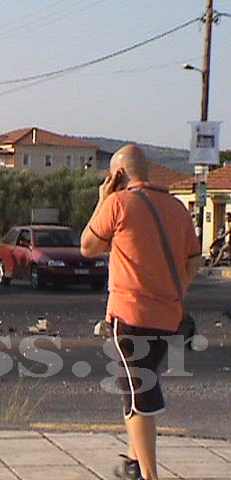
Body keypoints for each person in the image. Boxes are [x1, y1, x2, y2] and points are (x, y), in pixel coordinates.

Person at [81, 145, 202, 480]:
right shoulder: (177, 207)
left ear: (117, 175)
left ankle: (148, 475)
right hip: (168, 318)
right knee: (139, 386)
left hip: (129, 317)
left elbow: (88, 246)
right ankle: (134, 462)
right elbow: (194, 259)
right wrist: (177, 289)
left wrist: (102, 200)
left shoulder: (118, 203)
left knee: (139, 396)